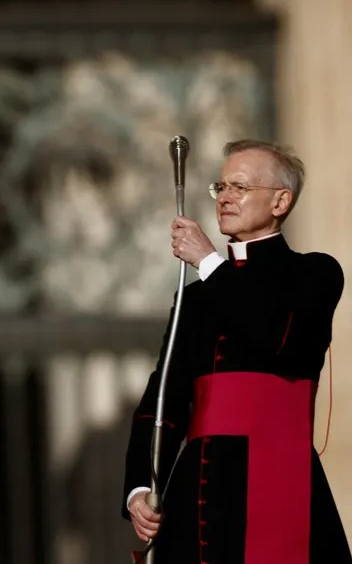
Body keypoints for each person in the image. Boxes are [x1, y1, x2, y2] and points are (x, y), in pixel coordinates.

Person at [122, 139, 351, 563]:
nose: (225, 197)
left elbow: (279, 339)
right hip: (200, 492)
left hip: (283, 482)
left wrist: (208, 260)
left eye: (240, 188)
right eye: (220, 187)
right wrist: (140, 486)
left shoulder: (315, 273)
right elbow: (163, 399)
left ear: (281, 200)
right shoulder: (194, 298)